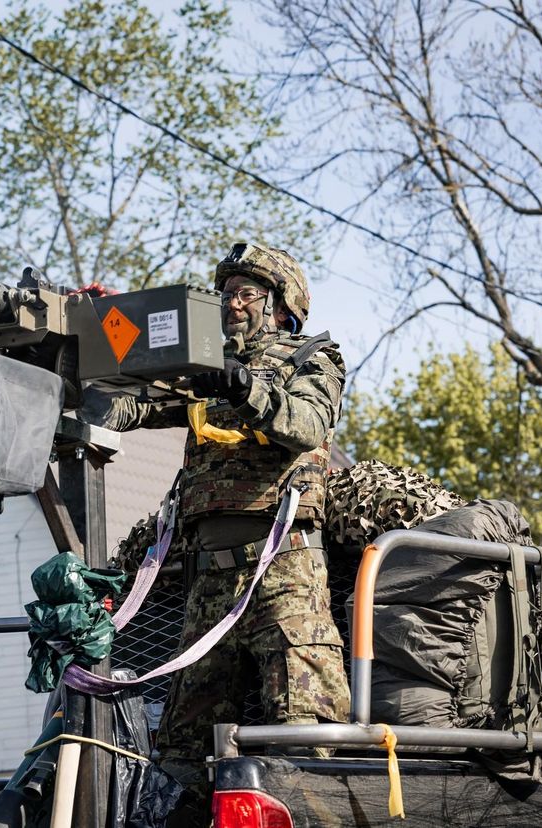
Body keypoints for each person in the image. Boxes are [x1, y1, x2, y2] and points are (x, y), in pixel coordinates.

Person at [85, 242, 351, 803]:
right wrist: (94, 340)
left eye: (246, 293)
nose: (231, 303)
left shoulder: (311, 359)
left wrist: (242, 385)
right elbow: (128, 406)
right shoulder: (202, 367)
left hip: (284, 572)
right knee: (184, 744)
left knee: (306, 733)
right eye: (226, 293)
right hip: (208, 578)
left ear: (281, 306)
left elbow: (305, 424)